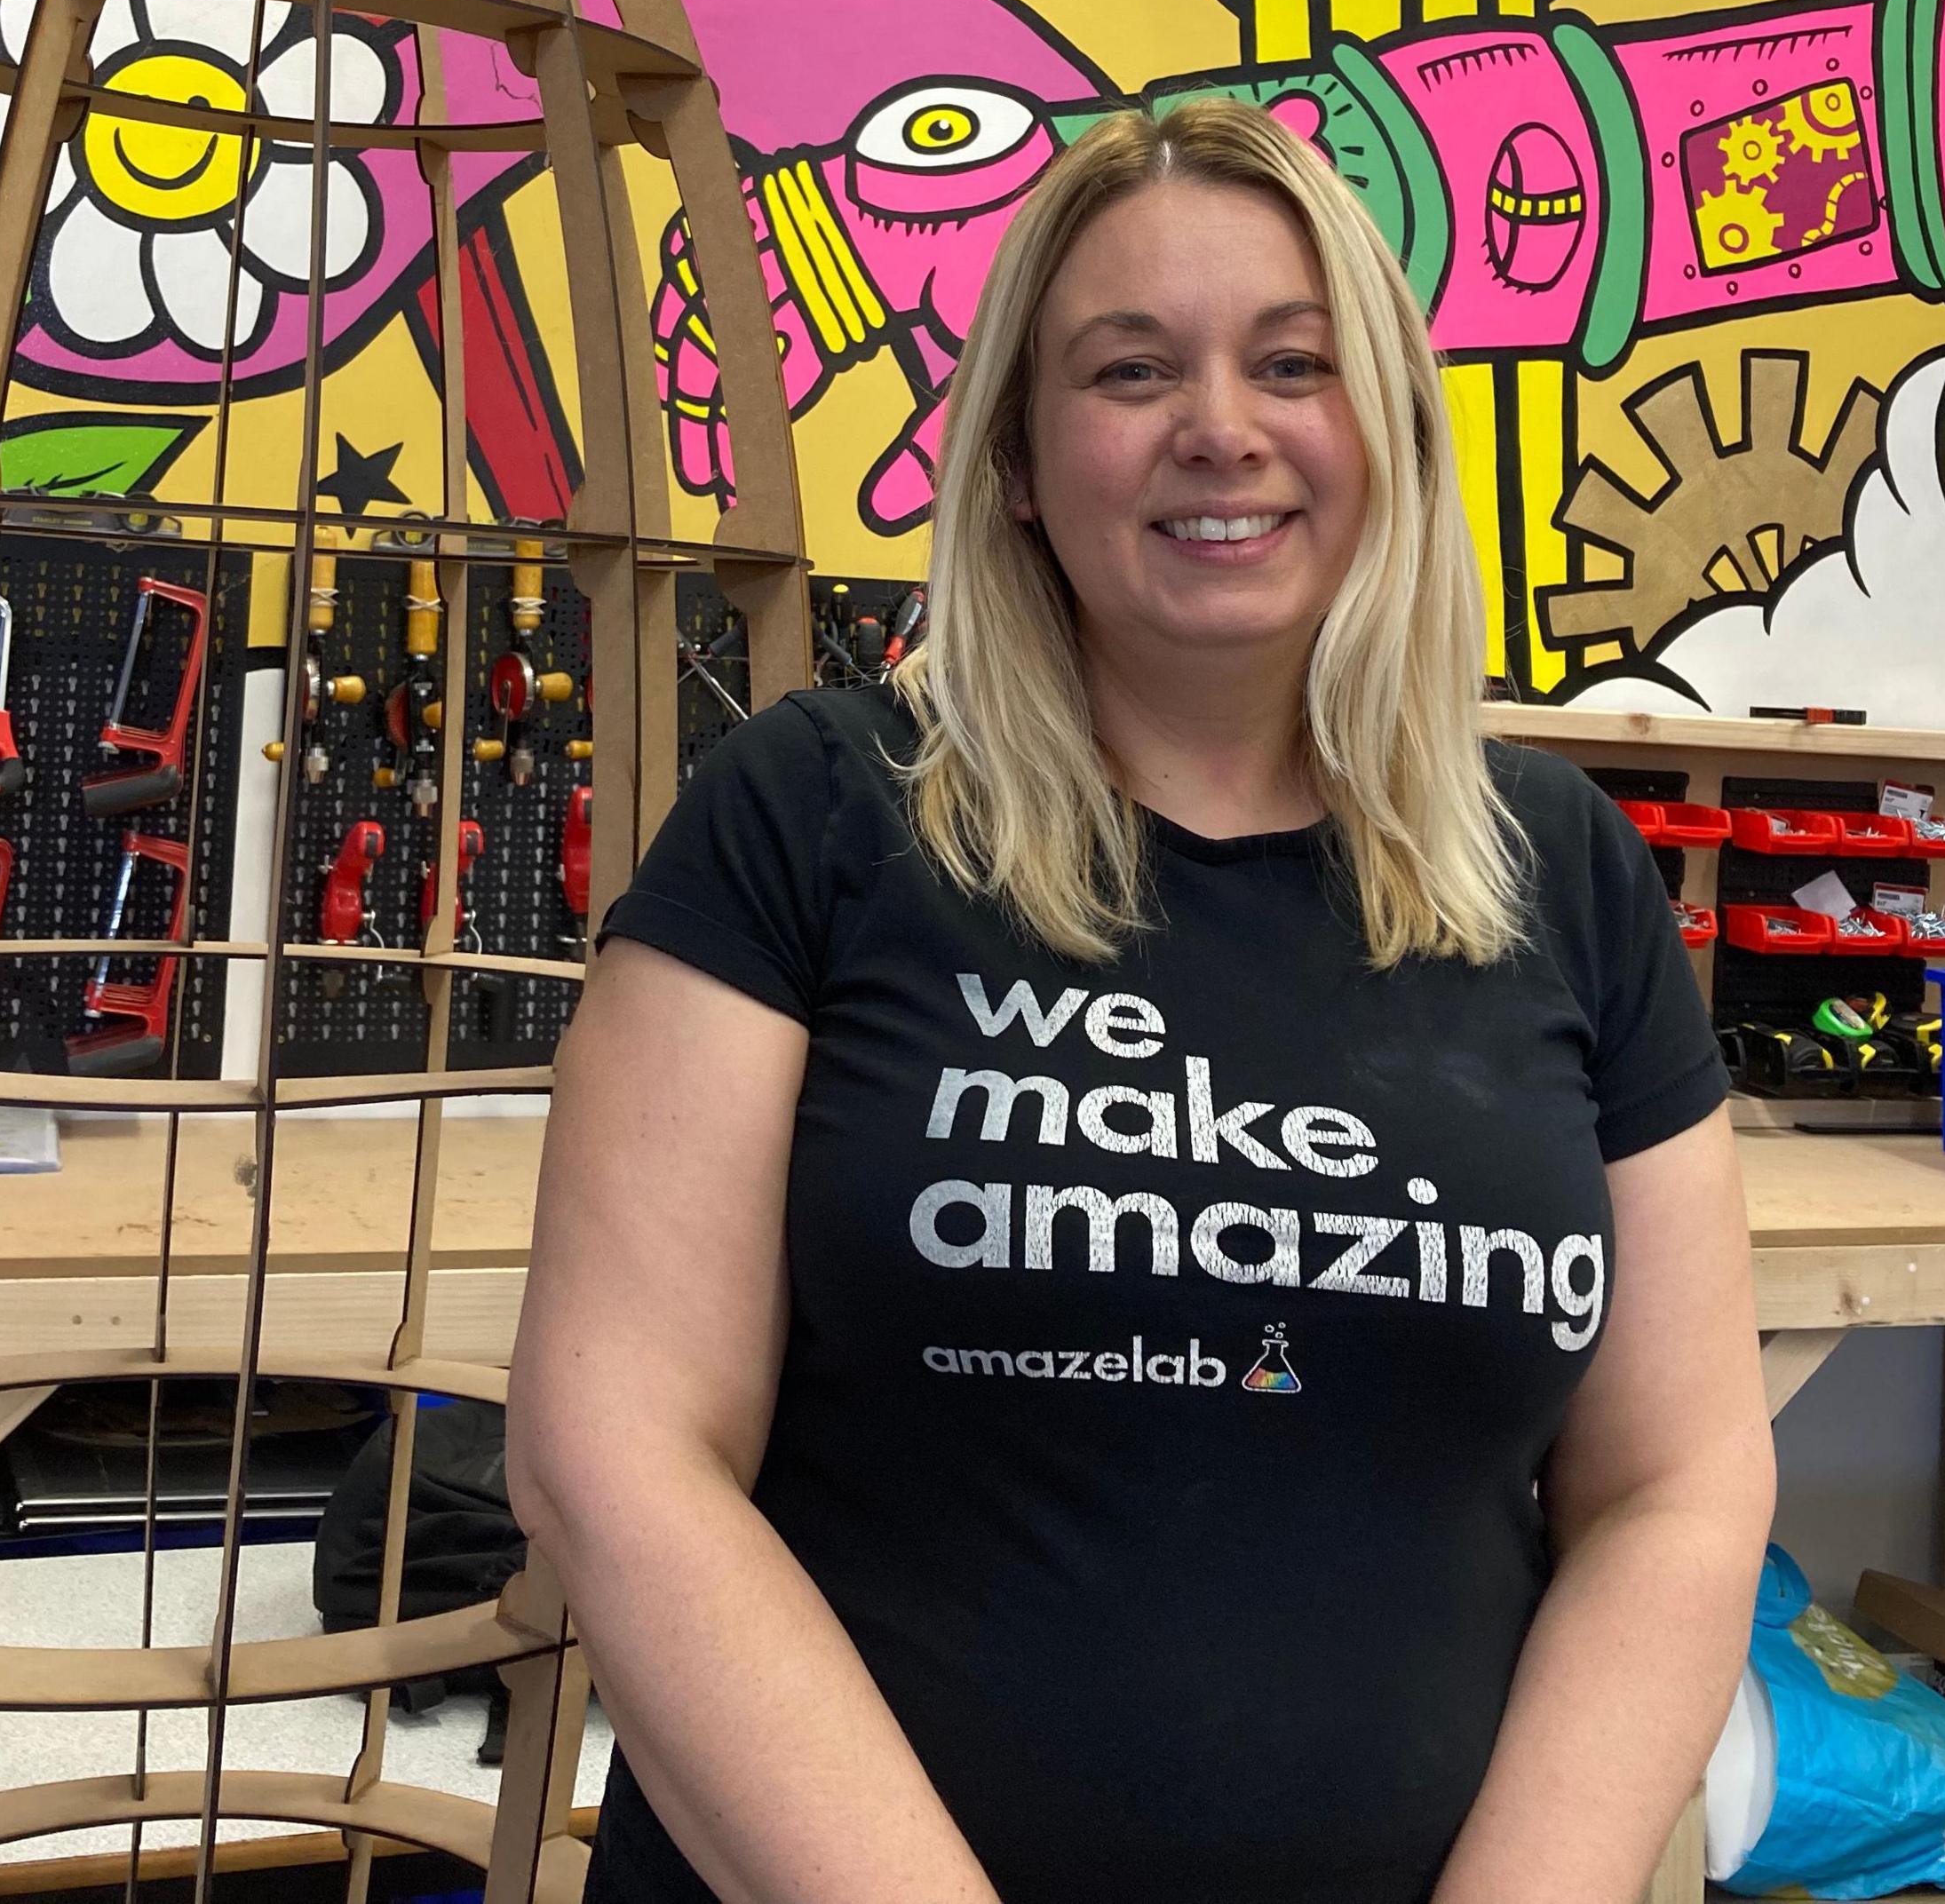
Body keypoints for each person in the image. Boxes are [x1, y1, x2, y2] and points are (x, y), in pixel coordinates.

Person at [512, 94, 1774, 1904]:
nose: (1221, 432)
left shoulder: (1559, 868)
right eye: (1128, 372)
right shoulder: (811, 813)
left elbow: (1679, 1488)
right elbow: (616, 1455)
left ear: (1390, 433)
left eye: (1292, 362)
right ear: (1019, 456)